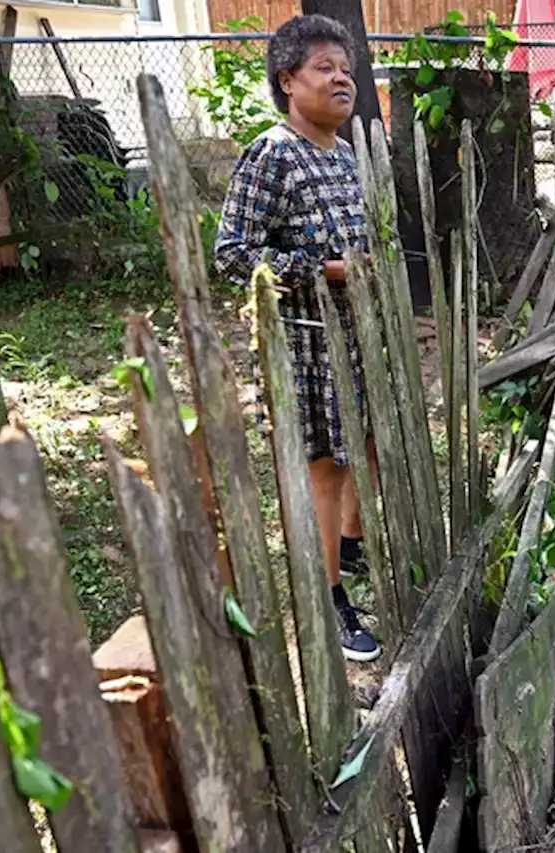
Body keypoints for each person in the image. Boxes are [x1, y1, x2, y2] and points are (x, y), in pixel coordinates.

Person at [214, 14, 381, 662]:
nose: (342, 78)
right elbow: (231, 253)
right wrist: (324, 270)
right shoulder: (273, 153)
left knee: (360, 444)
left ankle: (351, 545)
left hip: (358, 332)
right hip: (307, 339)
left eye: (347, 69)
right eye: (324, 68)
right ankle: (328, 596)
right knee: (325, 465)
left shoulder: (345, 153)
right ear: (288, 80)